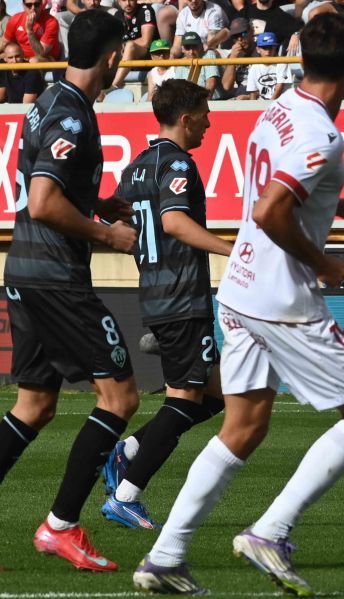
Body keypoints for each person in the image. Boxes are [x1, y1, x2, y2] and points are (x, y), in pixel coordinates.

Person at [133, 13, 344, 595]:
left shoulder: (279, 105)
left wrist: (341, 204)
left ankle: (165, 556)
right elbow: (269, 210)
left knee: (244, 424)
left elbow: (281, 194)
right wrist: (324, 261)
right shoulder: (321, 135)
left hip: (242, 287)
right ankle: (271, 532)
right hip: (283, 297)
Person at [0, 10, 139, 572]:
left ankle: (61, 526)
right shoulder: (72, 116)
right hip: (55, 277)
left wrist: (96, 204)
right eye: (122, 54)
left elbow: (46, 188)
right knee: (121, 397)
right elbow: (41, 201)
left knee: (33, 406)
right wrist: (106, 232)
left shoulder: (49, 101)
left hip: (25, 269)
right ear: (110, 57)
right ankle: (61, 526)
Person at [99, 79, 231, 530]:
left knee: (218, 394)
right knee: (187, 398)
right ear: (187, 117)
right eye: (206, 114)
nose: (210, 123)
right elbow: (174, 222)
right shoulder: (177, 164)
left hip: (155, 294)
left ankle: (131, 449)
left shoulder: (135, 166)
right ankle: (127, 492)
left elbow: (112, 215)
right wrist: (231, 249)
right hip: (181, 298)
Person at [109, 0, 158, 90]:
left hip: (148, 54)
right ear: (118, 2)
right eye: (123, 0)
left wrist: (124, 46)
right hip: (125, 56)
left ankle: (115, 85)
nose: (127, 3)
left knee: (130, 45)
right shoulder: (117, 15)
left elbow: (145, 42)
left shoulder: (145, 10)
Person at [245, 31, 293, 100]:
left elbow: (280, 87)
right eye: (264, 47)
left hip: (282, 102)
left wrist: (269, 105)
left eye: (270, 47)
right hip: (263, 104)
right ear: (258, 49)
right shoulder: (254, 67)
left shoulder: (282, 62)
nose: (268, 51)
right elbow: (253, 93)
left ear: (275, 48)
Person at [173, 31, 222, 98]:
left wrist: (204, 103)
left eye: (194, 47)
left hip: (214, 102)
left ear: (201, 46)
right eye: (187, 47)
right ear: (182, 49)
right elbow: (178, 88)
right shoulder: (181, 63)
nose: (191, 51)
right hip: (193, 103)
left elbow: (211, 82)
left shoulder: (209, 54)